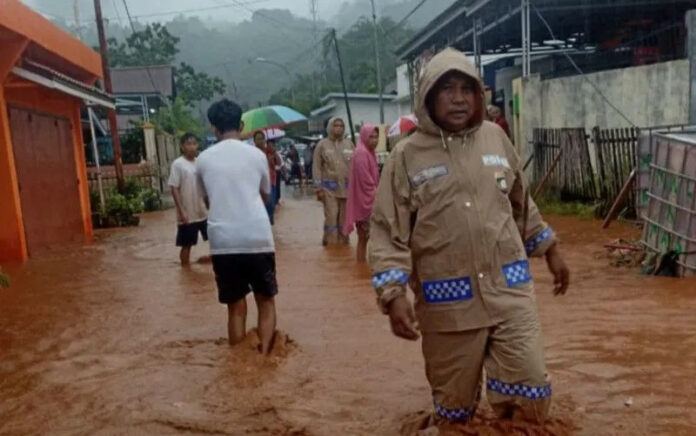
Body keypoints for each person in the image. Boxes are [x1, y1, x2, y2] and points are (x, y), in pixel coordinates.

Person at [368, 49, 570, 427]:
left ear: (479, 96)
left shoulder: (495, 139)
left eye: (467, 89)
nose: (458, 98)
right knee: (455, 413)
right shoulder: (406, 157)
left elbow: (521, 203)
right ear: (428, 96)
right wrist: (392, 294)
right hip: (449, 306)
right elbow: (386, 232)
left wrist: (550, 250)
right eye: (447, 89)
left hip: (510, 292)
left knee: (530, 393)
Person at [196, 99, 278, 355]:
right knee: (265, 301)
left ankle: (239, 363)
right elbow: (265, 194)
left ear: (213, 128)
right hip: (257, 236)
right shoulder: (257, 155)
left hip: (223, 241)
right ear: (241, 125)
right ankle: (264, 358)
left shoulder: (203, 159)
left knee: (235, 306)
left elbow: (207, 199)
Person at [313, 117, 355, 246]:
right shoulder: (322, 145)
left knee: (344, 219)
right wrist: (318, 189)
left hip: (347, 189)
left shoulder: (349, 144)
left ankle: (343, 242)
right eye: (336, 125)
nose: (339, 128)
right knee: (331, 216)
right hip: (329, 189)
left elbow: (355, 166)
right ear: (330, 127)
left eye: (341, 126)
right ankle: (331, 243)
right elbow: (317, 167)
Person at [168, 133, 208, 266]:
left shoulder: (200, 163)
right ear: (182, 146)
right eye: (188, 144)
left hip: (203, 211)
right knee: (187, 245)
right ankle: (186, 270)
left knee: (215, 239)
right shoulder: (178, 164)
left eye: (194, 143)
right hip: (187, 213)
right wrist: (181, 211)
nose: (191, 147)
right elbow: (174, 188)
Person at [343, 124, 380, 263]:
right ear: (364, 137)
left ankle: (362, 269)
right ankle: (364, 269)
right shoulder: (362, 153)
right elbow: (366, 182)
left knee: (364, 239)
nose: (375, 140)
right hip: (366, 204)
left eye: (376, 137)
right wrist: (379, 197)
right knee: (366, 238)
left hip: (367, 202)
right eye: (371, 137)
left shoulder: (370, 153)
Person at [254, 131, 280, 225]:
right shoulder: (252, 153)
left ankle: (269, 222)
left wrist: (274, 152)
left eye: (262, 138)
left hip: (271, 181)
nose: (261, 141)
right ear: (254, 141)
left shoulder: (269, 151)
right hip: (257, 183)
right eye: (258, 139)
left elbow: (279, 163)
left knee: (271, 203)